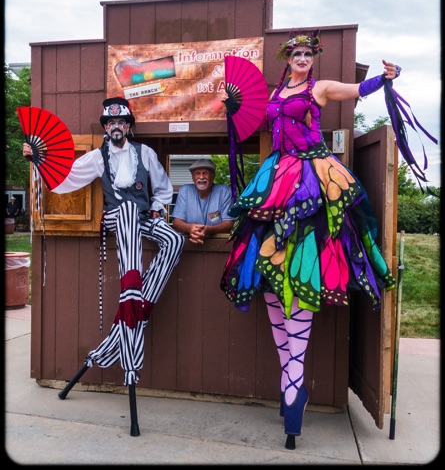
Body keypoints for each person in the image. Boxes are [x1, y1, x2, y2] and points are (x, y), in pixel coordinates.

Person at [220, 31, 398, 450]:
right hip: (275, 176)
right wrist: (232, 110)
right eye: (296, 54)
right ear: (288, 59)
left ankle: (293, 383)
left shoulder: (319, 88)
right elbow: (257, 121)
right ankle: (292, 382)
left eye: (307, 53)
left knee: (307, 265)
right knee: (266, 273)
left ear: (313, 58)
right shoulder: (277, 91)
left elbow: (356, 90)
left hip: (312, 178)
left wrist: (385, 80)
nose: (302, 58)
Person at [22, 96, 184, 390]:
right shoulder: (98, 157)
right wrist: (39, 158)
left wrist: (158, 209)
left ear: (128, 126)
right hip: (114, 218)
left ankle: (136, 308)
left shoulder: (144, 153)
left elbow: (162, 188)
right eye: (111, 123)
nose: (116, 127)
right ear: (106, 127)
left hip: (142, 217)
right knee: (125, 211)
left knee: (174, 239)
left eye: (121, 122)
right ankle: (132, 293)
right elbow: (66, 179)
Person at [171, 158, 235, 244]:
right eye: (197, 173)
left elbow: (229, 224)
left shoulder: (225, 191)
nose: (201, 177)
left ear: (213, 176)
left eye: (205, 173)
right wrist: (189, 228)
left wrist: (208, 230)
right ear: (192, 177)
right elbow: (176, 222)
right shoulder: (185, 190)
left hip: (219, 243)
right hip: (189, 243)